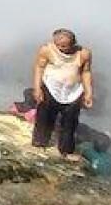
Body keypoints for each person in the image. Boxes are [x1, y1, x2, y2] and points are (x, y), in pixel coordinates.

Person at [31, 28, 94, 160]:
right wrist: (37, 88)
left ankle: (66, 150)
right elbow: (39, 67)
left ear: (73, 43)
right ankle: (39, 143)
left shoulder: (83, 53)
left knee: (70, 122)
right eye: (58, 45)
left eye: (65, 46)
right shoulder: (46, 50)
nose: (61, 48)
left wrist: (88, 93)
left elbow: (86, 72)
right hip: (51, 88)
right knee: (44, 118)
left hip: (73, 91)